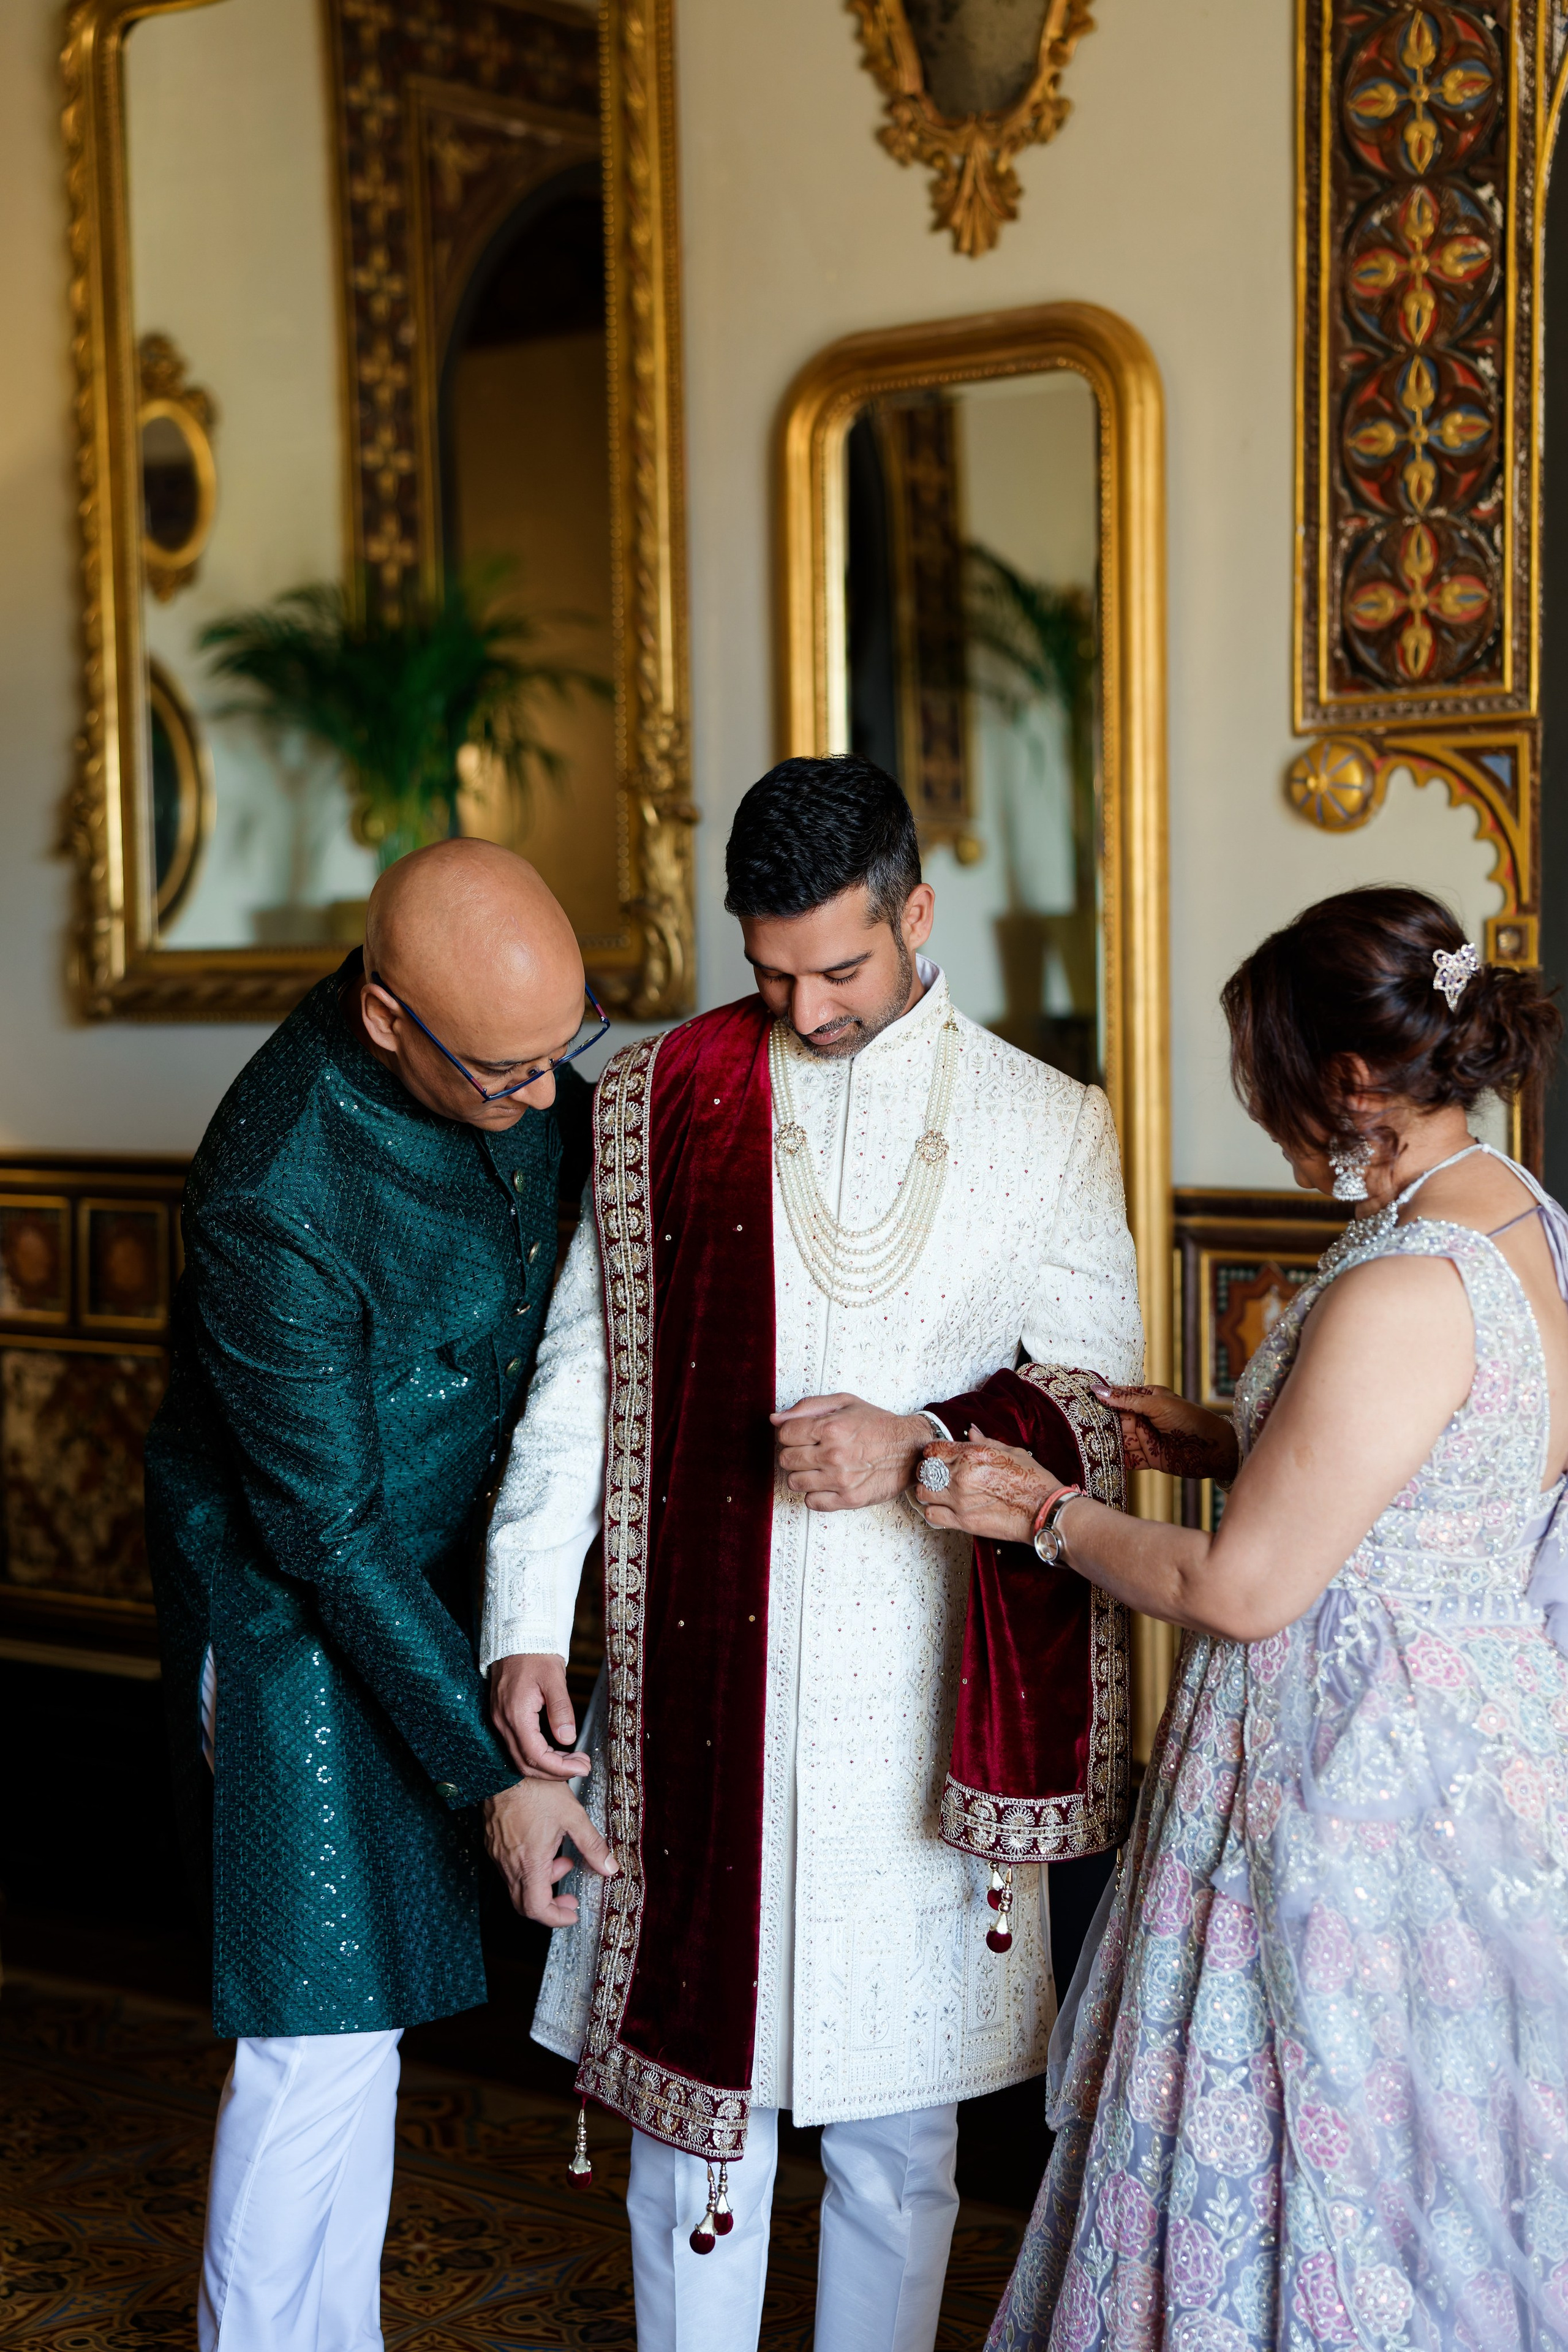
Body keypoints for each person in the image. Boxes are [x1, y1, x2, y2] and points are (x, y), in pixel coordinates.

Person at [479, 755, 1146, 2352]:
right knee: (688, 2140)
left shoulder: (1048, 1128)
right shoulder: (661, 1100)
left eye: (841, 967)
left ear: (918, 916)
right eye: (769, 970)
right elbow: (582, 1379)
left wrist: (918, 1444)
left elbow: (1098, 1418)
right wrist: (524, 1625)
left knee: (897, 2145)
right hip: (695, 1693)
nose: (805, 1007)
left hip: (917, 1705)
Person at [916, 885, 1568, 2352]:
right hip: (1472, 1742)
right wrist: (1225, 1441)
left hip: (1350, 1779)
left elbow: (1241, 1590)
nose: (1265, 1111)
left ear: (1345, 1081)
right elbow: (1435, 1464)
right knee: (1432, 2157)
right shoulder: (1509, 1212)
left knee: (1308, 2129)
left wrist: (1031, 1506)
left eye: (1268, 1076)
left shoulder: (1404, 1280)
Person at [143, 839, 617, 2352]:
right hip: (291, 1612)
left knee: (371, 2031)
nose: (547, 1102)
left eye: (567, 1052)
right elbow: (329, 1533)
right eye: (503, 1074)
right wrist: (490, 1773)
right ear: (386, 1017)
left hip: (439, 1587)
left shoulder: (523, 1063)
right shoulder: (269, 1184)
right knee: (315, 2037)